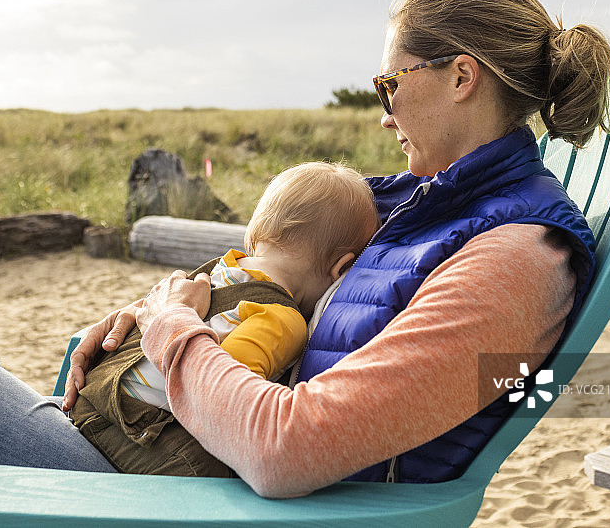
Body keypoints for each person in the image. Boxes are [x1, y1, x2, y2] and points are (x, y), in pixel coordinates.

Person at [0, 0, 610, 522]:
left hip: (195, 503)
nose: (383, 114)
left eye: (388, 84)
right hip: (176, 468)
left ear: (462, 76)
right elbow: (273, 265)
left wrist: (173, 334)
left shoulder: (517, 260)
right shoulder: (417, 204)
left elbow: (289, 448)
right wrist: (142, 315)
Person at [66, 161, 379, 477]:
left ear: (257, 233)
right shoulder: (282, 319)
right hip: (139, 435)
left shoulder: (221, 269)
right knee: (215, 470)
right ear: (342, 268)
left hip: (91, 394)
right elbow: (222, 402)